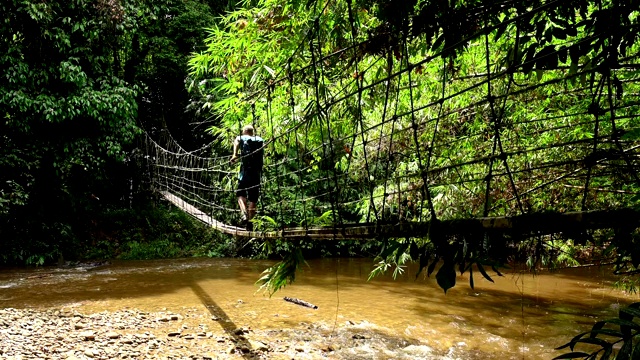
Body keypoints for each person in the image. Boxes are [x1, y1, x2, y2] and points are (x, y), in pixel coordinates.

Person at [230, 125, 264, 229]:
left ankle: (244, 214)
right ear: (252, 132)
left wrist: (235, 155)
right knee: (253, 199)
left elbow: (237, 141)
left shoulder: (242, 137)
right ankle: (250, 222)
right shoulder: (259, 140)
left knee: (240, 194)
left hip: (245, 173)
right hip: (256, 174)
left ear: (244, 131)